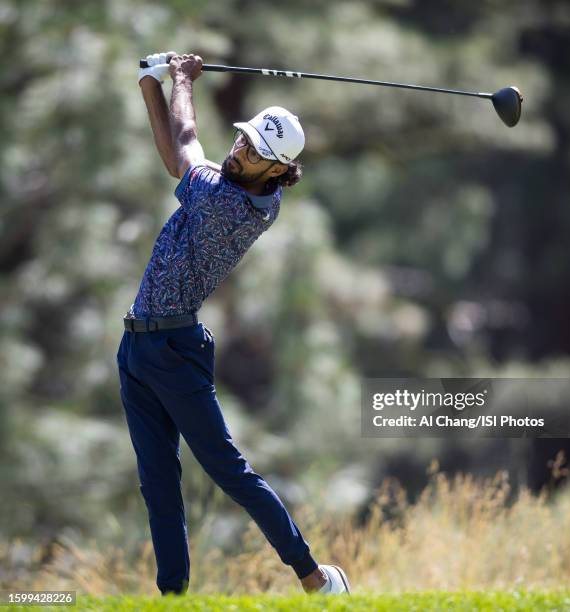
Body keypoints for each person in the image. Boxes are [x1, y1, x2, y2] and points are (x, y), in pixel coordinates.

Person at [116, 52, 350, 596]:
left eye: (253, 151)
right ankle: (172, 597)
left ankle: (314, 579)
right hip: (139, 349)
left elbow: (186, 139)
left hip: (173, 348)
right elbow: (176, 155)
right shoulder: (242, 187)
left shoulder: (227, 203)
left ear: (276, 170)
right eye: (243, 139)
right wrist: (149, 82)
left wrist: (179, 78)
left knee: (229, 471)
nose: (238, 148)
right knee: (158, 484)